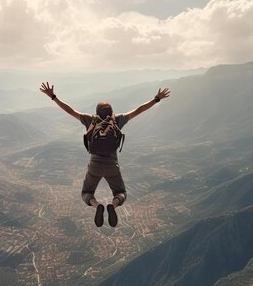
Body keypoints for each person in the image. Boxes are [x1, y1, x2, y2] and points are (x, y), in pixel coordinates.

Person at [39, 81, 170, 227]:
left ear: (96, 112)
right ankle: (112, 206)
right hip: (112, 166)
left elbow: (70, 111)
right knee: (121, 192)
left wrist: (53, 97)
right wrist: (156, 99)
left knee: (86, 193)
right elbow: (138, 110)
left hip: (94, 165)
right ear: (111, 112)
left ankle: (97, 206)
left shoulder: (90, 120)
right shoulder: (118, 120)